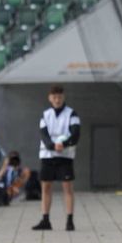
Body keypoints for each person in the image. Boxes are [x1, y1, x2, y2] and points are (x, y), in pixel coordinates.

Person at [32, 85, 81, 231]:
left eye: (59, 96)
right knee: (46, 187)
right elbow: (43, 134)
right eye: (54, 97)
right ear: (50, 98)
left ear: (63, 97)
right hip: (48, 155)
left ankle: (69, 220)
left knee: (67, 187)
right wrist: (52, 146)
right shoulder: (45, 115)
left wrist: (64, 144)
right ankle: (45, 219)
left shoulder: (72, 114)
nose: (57, 99)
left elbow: (76, 134)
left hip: (65, 155)